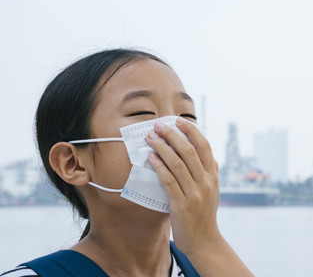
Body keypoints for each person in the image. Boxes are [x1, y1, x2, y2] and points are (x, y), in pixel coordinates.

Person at [1, 48, 254, 277]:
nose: (175, 133)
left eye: (187, 116)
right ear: (72, 163)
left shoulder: (213, 266)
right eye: (142, 112)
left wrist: (205, 241)